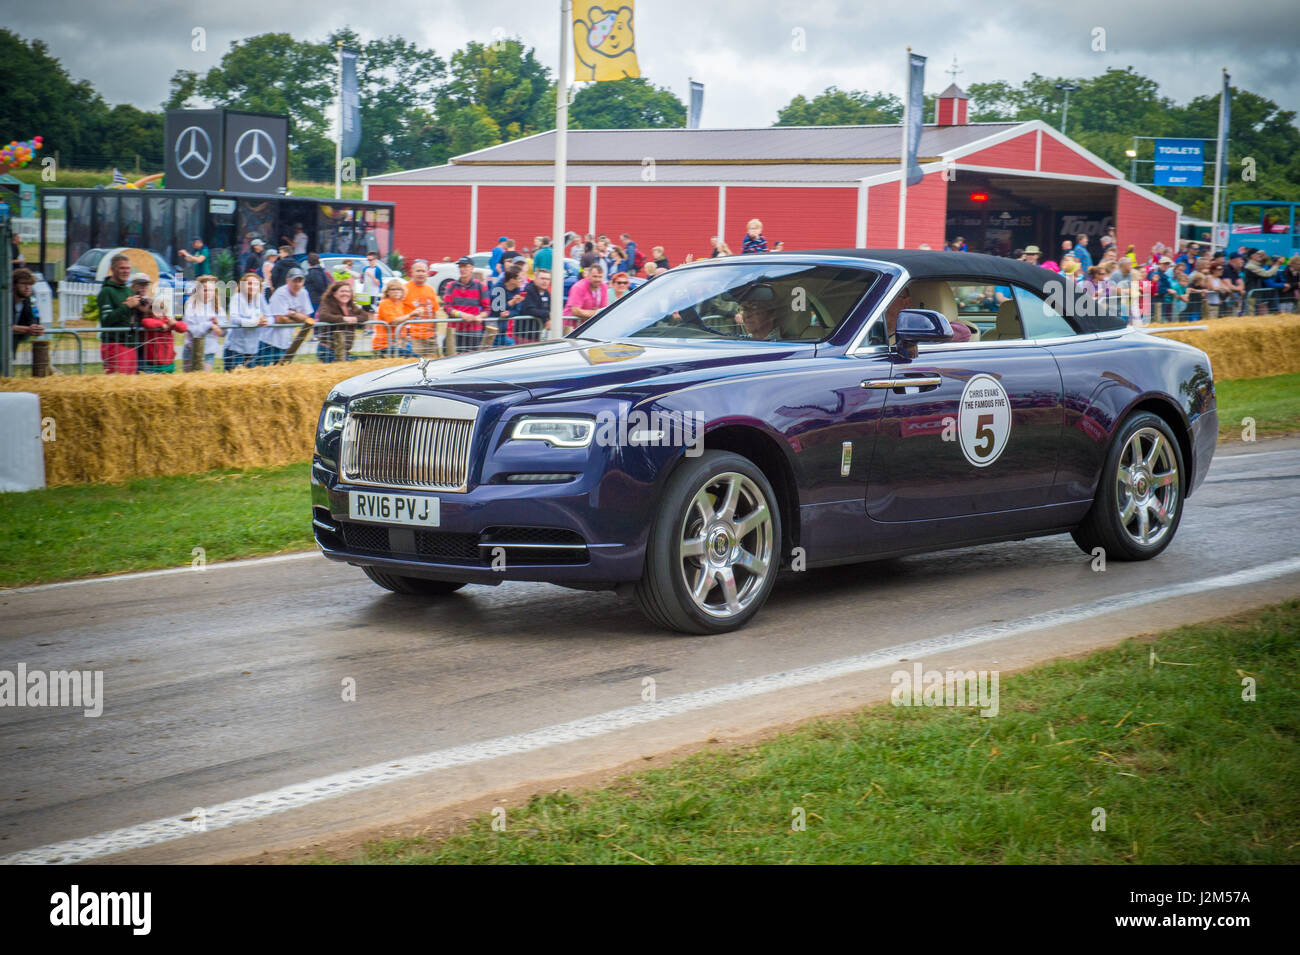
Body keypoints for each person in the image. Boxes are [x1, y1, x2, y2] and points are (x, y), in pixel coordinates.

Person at [96, 254, 142, 374]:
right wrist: (127, 306)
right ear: (112, 269)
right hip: (114, 344)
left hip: (131, 345)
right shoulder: (106, 291)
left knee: (130, 386)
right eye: (122, 268)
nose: (125, 271)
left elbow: (132, 316)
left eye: (128, 268)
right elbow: (106, 320)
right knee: (118, 385)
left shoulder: (128, 290)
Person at [263, 267, 314, 365]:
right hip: (269, 341)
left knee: (281, 372)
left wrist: (291, 313)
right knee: (263, 371)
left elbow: (307, 317)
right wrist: (299, 319)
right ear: (287, 281)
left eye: (300, 281)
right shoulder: (280, 293)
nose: (297, 284)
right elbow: (280, 319)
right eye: (294, 281)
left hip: (286, 342)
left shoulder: (303, 293)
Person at [442, 256, 490, 353]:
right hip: (455, 329)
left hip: (473, 331)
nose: (462, 269)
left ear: (472, 268)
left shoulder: (480, 286)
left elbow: (487, 309)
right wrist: (461, 315)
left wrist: (480, 316)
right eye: (460, 267)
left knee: (471, 359)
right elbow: (447, 307)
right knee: (452, 359)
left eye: (465, 266)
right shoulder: (451, 286)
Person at [225, 273, 269, 371]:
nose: (252, 286)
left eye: (256, 284)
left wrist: (265, 320)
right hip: (236, 348)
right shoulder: (237, 298)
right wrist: (255, 322)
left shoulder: (260, 298)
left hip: (253, 348)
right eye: (249, 283)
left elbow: (270, 316)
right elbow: (234, 319)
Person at [400, 259, 444, 357]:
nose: (420, 274)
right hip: (412, 337)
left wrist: (435, 332)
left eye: (423, 271)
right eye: (418, 271)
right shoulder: (404, 289)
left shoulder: (431, 290)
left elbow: (435, 312)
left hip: (429, 336)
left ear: (427, 273)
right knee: (416, 366)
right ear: (412, 272)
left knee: (433, 365)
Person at [182, 274, 225, 371]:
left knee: (203, 382)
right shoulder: (190, 305)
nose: (208, 293)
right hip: (191, 350)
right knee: (189, 382)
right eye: (205, 290)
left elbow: (224, 330)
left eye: (211, 290)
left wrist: (220, 327)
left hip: (209, 351)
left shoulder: (218, 307)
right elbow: (192, 330)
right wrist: (210, 325)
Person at [314, 279, 364, 363]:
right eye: (342, 291)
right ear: (334, 294)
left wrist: (356, 319)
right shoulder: (327, 304)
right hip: (328, 350)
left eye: (348, 291)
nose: (345, 294)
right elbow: (323, 316)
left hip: (344, 350)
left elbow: (364, 315)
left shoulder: (351, 306)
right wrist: (343, 319)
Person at [139, 293, 187, 373]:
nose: (160, 314)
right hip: (152, 364)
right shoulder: (149, 319)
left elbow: (184, 328)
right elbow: (146, 322)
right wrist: (161, 324)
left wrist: (175, 323)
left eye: (163, 310)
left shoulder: (168, 321)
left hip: (168, 362)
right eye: (157, 310)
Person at [374, 279, 416, 357]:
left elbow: (405, 319)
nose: (396, 291)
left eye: (399, 289)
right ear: (387, 292)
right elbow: (393, 321)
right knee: (415, 358)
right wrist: (411, 315)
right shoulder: (385, 303)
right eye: (393, 289)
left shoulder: (400, 304)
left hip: (396, 344)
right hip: (383, 345)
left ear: (402, 291)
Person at [10, 268, 44, 359]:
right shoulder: (4, 301)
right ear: (13, 285)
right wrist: (27, 329)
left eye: (30, 284)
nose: (28, 287)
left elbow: (34, 318)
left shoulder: (29, 301)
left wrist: (36, 327)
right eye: (24, 283)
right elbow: (5, 327)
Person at [517, 268, 552, 342]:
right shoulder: (528, 290)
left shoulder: (546, 293)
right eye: (542, 278)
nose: (545, 281)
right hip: (524, 334)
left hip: (538, 334)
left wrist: (549, 318)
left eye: (548, 279)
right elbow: (529, 310)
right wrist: (547, 314)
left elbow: (549, 308)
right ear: (535, 279)